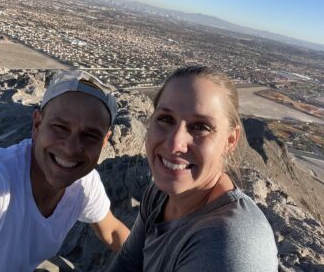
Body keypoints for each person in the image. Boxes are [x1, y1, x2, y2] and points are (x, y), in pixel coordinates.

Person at [0, 70, 130, 271]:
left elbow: (112, 231)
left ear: (104, 142)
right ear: (37, 124)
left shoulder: (84, 184)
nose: (71, 148)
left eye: (90, 136)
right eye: (60, 127)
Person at [107, 66, 278, 271]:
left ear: (230, 141)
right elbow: (128, 263)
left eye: (201, 127)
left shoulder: (227, 247)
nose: (174, 144)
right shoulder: (160, 195)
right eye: (165, 119)